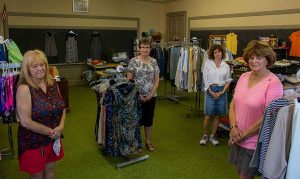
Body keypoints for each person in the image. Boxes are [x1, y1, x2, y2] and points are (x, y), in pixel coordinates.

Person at [228, 40, 283, 179]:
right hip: (237, 135)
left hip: (253, 141)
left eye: (259, 57)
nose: (254, 61)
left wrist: (243, 134)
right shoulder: (244, 76)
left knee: (245, 176)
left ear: (267, 60)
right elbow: (233, 104)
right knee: (239, 172)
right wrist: (233, 128)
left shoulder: (273, 83)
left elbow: (268, 117)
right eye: (251, 57)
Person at [16, 50, 66, 179]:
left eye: (42, 64)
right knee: (36, 175)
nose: (40, 69)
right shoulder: (24, 88)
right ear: (27, 69)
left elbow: (62, 107)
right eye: (34, 66)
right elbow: (25, 121)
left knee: (50, 171)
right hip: (34, 141)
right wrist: (52, 132)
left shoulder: (52, 84)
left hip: (54, 137)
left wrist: (61, 127)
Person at [127, 38, 159, 152]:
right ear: (139, 48)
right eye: (143, 47)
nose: (145, 49)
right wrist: (138, 95)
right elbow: (129, 80)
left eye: (147, 47)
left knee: (148, 120)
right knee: (136, 120)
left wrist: (151, 95)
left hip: (151, 96)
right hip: (136, 96)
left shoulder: (154, 61)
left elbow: (156, 80)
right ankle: (136, 142)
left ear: (150, 48)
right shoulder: (133, 61)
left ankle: (148, 141)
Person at [200, 44, 232, 145]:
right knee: (208, 116)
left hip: (221, 91)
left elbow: (228, 80)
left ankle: (212, 136)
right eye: (215, 52)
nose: (217, 54)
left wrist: (222, 92)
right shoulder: (208, 64)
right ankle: (205, 135)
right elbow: (205, 79)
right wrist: (210, 91)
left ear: (222, 53)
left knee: (217, 116)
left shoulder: (226, 66)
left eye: (219, 52)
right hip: (211, 90)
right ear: (212, 54)